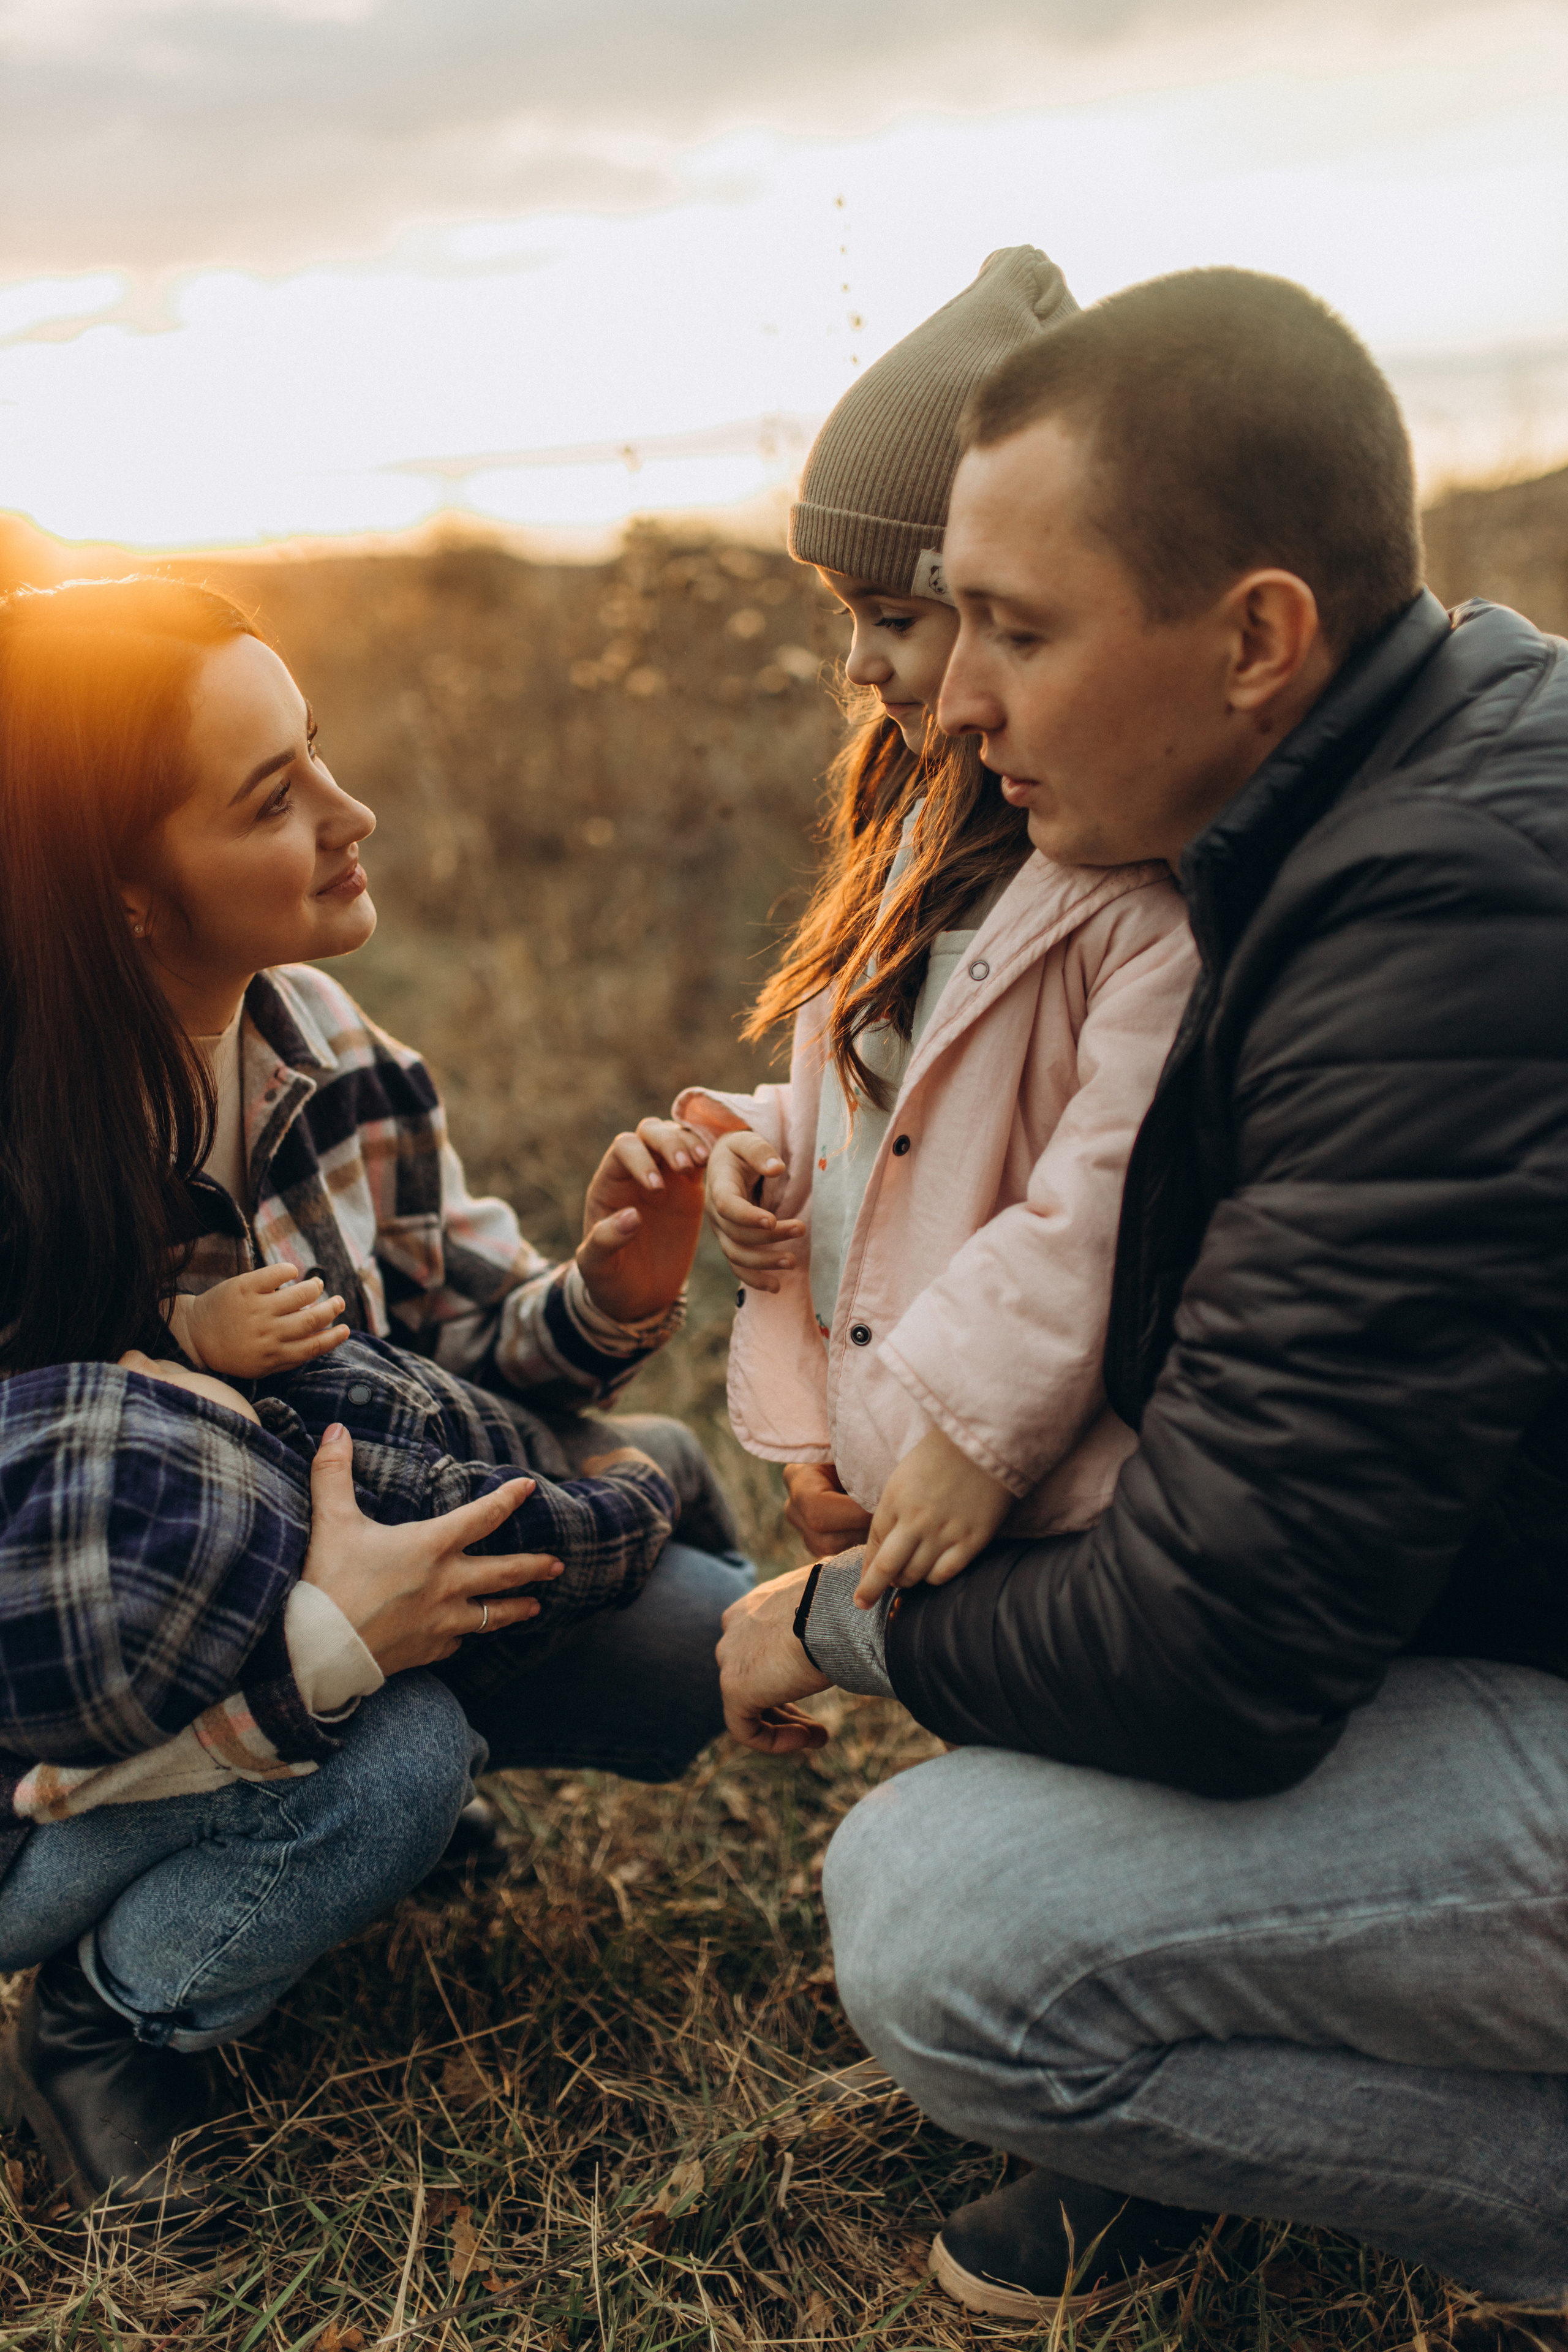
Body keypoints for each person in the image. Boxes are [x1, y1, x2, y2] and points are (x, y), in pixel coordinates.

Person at [716, 266, 1568, 2318]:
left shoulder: (1446, 923)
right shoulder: (1390, 782)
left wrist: (840, 1622)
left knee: (939, 1922)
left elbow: (1223, 1651)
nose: (957, 701)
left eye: (1017, 631)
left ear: (1260, 635)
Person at [0, 576, 749, 2238]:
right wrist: (325, 1649)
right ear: (125, 891)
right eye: (273, 798)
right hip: (54, 1752)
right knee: (398, 1766)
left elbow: (458, 1355)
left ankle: (368, 1765)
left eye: (316, 753)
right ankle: (106, 2019)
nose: (354, 818)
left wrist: (610, 1295)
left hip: (352, 1587)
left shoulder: (325, 1037)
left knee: (697, 1654)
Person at [679, 249, 1196, 1602]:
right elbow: (896, 1096)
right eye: (846, 619)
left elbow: (1094, 1204)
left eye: (890, 617)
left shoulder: (1121, 882)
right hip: (908, 1435)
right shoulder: (913, 825)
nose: (857, 664)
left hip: (1041, 1483)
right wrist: (765, 1141)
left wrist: (963, 1431)